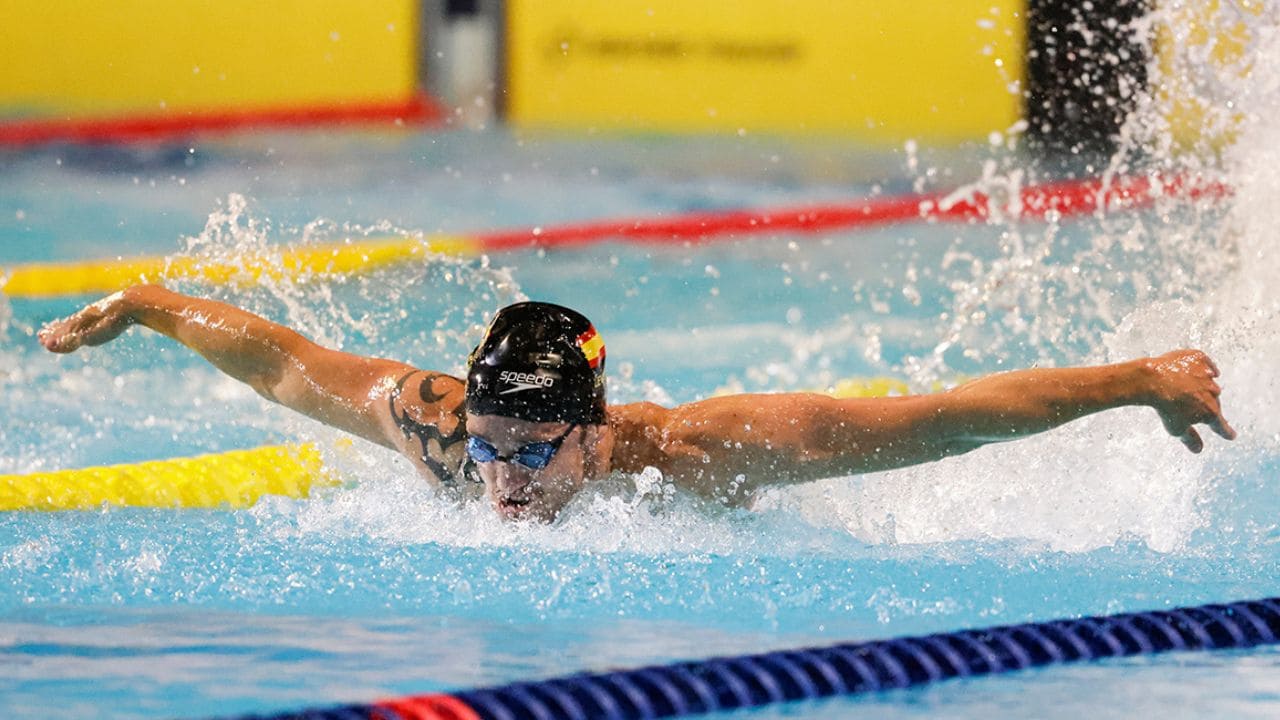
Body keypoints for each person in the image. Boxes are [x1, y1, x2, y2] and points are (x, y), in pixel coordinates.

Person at [39, 284, 1236, 522]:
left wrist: (1135, 381)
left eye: (532, 452)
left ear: (597, 431)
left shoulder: (708, 452)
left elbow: (947, 417)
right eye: (490, 446)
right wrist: (149, 305)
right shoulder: (438, 428)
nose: (500, 481)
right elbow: (285, 362)